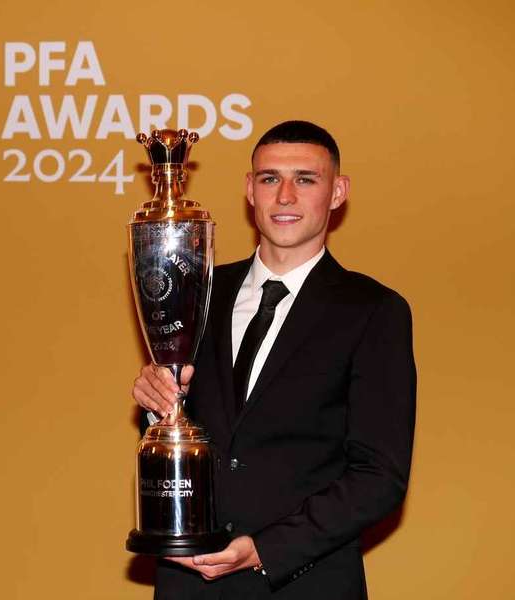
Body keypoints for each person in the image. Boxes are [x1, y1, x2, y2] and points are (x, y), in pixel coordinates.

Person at [132, 120, 416, 599]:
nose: (285, 195)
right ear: (249, 190)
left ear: (337, 192)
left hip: (305, 582)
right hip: (189, 584)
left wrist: (265, 549)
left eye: (305, 179)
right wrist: (156, 405)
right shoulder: (196, 291)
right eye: (269, 179)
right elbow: (189, 428)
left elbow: (379, 476)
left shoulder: (373, 310)